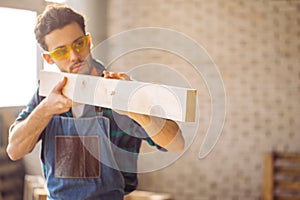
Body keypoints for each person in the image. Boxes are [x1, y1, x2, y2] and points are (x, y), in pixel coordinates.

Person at [6, 4, 184, 200]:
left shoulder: (117, 89)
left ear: (89, 41)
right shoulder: (45, 94)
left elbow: (176, 143)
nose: (74, 56)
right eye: (61, 52)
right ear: (49, 58)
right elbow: (14, 150)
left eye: (78, 44)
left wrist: (135, 110)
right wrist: (46, 109)